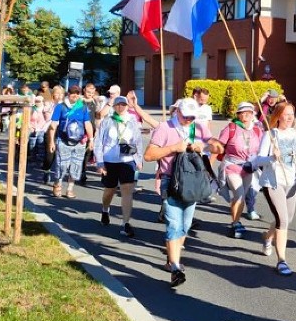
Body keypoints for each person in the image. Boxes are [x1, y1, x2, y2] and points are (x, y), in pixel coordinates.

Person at [143, 98, 223, 287]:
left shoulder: (200, 128)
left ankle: (172, 259)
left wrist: (205, 146)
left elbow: (220, 147)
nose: (189, 119)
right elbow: (148, 155)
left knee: (185, 225)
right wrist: (173, 148)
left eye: (192, 116)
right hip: (170, 180)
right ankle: (176, 268)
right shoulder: (165, 127)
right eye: (186, 116)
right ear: (177, 112)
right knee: (173, 223)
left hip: (192, 181)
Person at [254, 101, 296, 276]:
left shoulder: (295, 134)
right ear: (278, 116)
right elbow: (258, 160)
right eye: (286, 114)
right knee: (282, 220)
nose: (290, 118)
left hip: (292, 182)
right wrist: (272, 158)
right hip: (273, 183)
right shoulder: (270, 135)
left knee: (287, 218)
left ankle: (267, 236)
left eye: (292, 114)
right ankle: (282, 260)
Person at [94, 96, 144, 238]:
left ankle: (125, 223)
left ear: (128, 106)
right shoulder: (107, 121)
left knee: (127, 190)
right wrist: (99, 162)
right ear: (114, 107)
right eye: (118, 105)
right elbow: (98, 142)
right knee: (109, 190)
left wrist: (138, 159)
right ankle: (105, 209)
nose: (121, 107)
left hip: (127, 160)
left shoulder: (132, 121)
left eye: (123, 105)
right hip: (109, 160)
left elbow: (138, 141)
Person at [214, 101, 264, 238]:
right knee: (239, 195)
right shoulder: (231, 128)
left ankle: (236, 220)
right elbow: (218, 146)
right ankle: (235, 222)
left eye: (249, 112)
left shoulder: (257, 130)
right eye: (243, 112)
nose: (246, 115)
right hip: (232, 166)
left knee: (241, 196)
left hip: (249, 168)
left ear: (253, 114)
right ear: (238, 114)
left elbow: (262, 150)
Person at [46, 85, 93, 199]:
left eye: (77, 93)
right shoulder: (61, 107)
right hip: (63, 140)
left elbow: (87, 124)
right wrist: (51, 142)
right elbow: (53, 125)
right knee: (62, 165)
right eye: (73, 93)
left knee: (76, 166)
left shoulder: (83, 107)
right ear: (68, 94)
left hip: (79, 142)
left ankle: (70, 189)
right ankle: (58, 184)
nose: (75, 95)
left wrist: (91, 140)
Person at [78, 82, 100, 187]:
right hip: (80, 129)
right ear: (84, 91)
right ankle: (77, 169)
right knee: (79, 151)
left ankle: (83, 171)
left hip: (92, 129)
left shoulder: (95, 102)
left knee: (87, 152)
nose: (90, 94)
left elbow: (98, 116)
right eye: (88, 92)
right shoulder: (80, 101)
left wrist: (98, 127)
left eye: (92, 92)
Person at [42, 85, 65, 184]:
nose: (59, 95)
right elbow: (48, 118)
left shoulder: (66, 105)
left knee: (61, 155)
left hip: (62, 130)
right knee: (50, 155)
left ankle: (58, 177)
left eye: (61, 93)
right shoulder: (49, 104)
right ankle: (46, 170)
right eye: (57, 93)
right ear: (53, 94)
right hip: (50, 130)